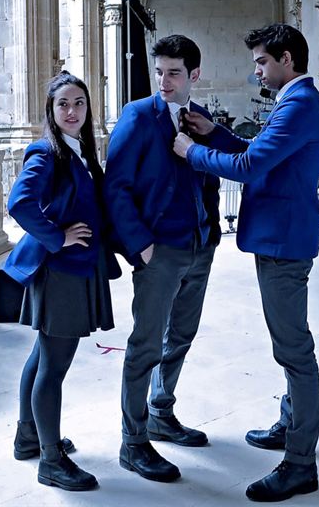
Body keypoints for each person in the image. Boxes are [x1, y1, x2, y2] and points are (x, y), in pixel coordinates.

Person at [174, 23, 319, 503]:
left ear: (285, 59)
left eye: (262, 61)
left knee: (294, 350)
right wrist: (215, 133)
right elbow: (258, 153)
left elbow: (248, 167)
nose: (256, 69)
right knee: (289, 344)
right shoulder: (293, 102)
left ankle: (301, 462)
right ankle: (289, 423)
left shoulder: (299, 104)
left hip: (284, 240)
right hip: (280, 235)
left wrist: (191, 152)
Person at [104, 35, 222, 483]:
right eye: (159, 72)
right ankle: (133, 443)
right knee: (145, 345)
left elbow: (211, 171)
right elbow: (115, 187)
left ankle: (160, 412)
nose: (164, 81)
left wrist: (210, 234)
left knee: (182, 335)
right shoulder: (137, 116)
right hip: (160, 251)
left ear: (194, 75)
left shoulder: (201, 118)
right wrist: (141, 246)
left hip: (200, 244)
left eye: (174, 73)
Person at [2, 72, 117, 492]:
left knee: (42, 355)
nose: (72, 111)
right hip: (60, 271)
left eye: (79, 103)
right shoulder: (46, 153)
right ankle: (51, 460)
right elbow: (19, 203)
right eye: (63, 104)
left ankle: (29, 437)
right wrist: (57, 235)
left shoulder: (78, 151)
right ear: (50, 112)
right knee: (54, 366)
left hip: (73, 268)